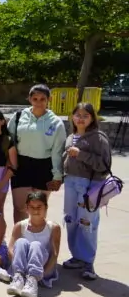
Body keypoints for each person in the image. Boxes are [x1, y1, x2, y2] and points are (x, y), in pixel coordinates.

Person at [62, 102, 111, 280]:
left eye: (85, 115)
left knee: (87, 222)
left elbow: (104, 165)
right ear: (72, 117)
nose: (81, 119)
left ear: (92, 118)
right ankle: (77, 256)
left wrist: (81, 154)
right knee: (71, 219)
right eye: (77, 115)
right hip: (70, 183)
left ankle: (88, 261)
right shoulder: (71, 136)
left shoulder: (98, 137)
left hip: (89, 185)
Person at [7, 84, 66, 223]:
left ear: (48, 99)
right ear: (29, 99)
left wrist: (57, 176)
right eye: (35, 98)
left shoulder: (56, 123)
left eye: (42, 99)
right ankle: (21, 241)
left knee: (38, 208)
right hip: (21, 166)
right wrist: (9, 165)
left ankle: (37, 241)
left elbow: (58, 151)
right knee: (20, 207)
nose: (39, 102)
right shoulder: (18, 117)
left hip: (44, 167)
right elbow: (9, 143)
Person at [7, 192, 61, 297]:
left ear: (46, 207)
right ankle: (19, 278)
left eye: (39, 207)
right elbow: (10, 249)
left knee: (36, 245)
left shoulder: (53, 227)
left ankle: (33, 281)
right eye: (32, 207)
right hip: (22, 266)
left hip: (41, 266)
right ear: (26, 208)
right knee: (21, 242)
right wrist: (18, 268)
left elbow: (54, 254)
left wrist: (43, 274)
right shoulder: (20, 226)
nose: (36, 210)